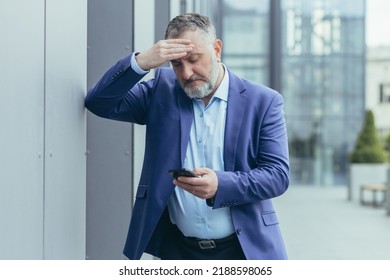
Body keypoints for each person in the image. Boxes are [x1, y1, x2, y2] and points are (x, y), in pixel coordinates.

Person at [85, 13, 289, 260]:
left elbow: (277, 175)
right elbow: (100, 103)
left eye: (193, 59)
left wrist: (220, 185)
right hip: (179, 251)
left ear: (216, 49)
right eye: (177, 64)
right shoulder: (162, 90)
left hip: (244, 251)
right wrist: (141, 62)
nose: (187, 73)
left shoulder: (264, 102)